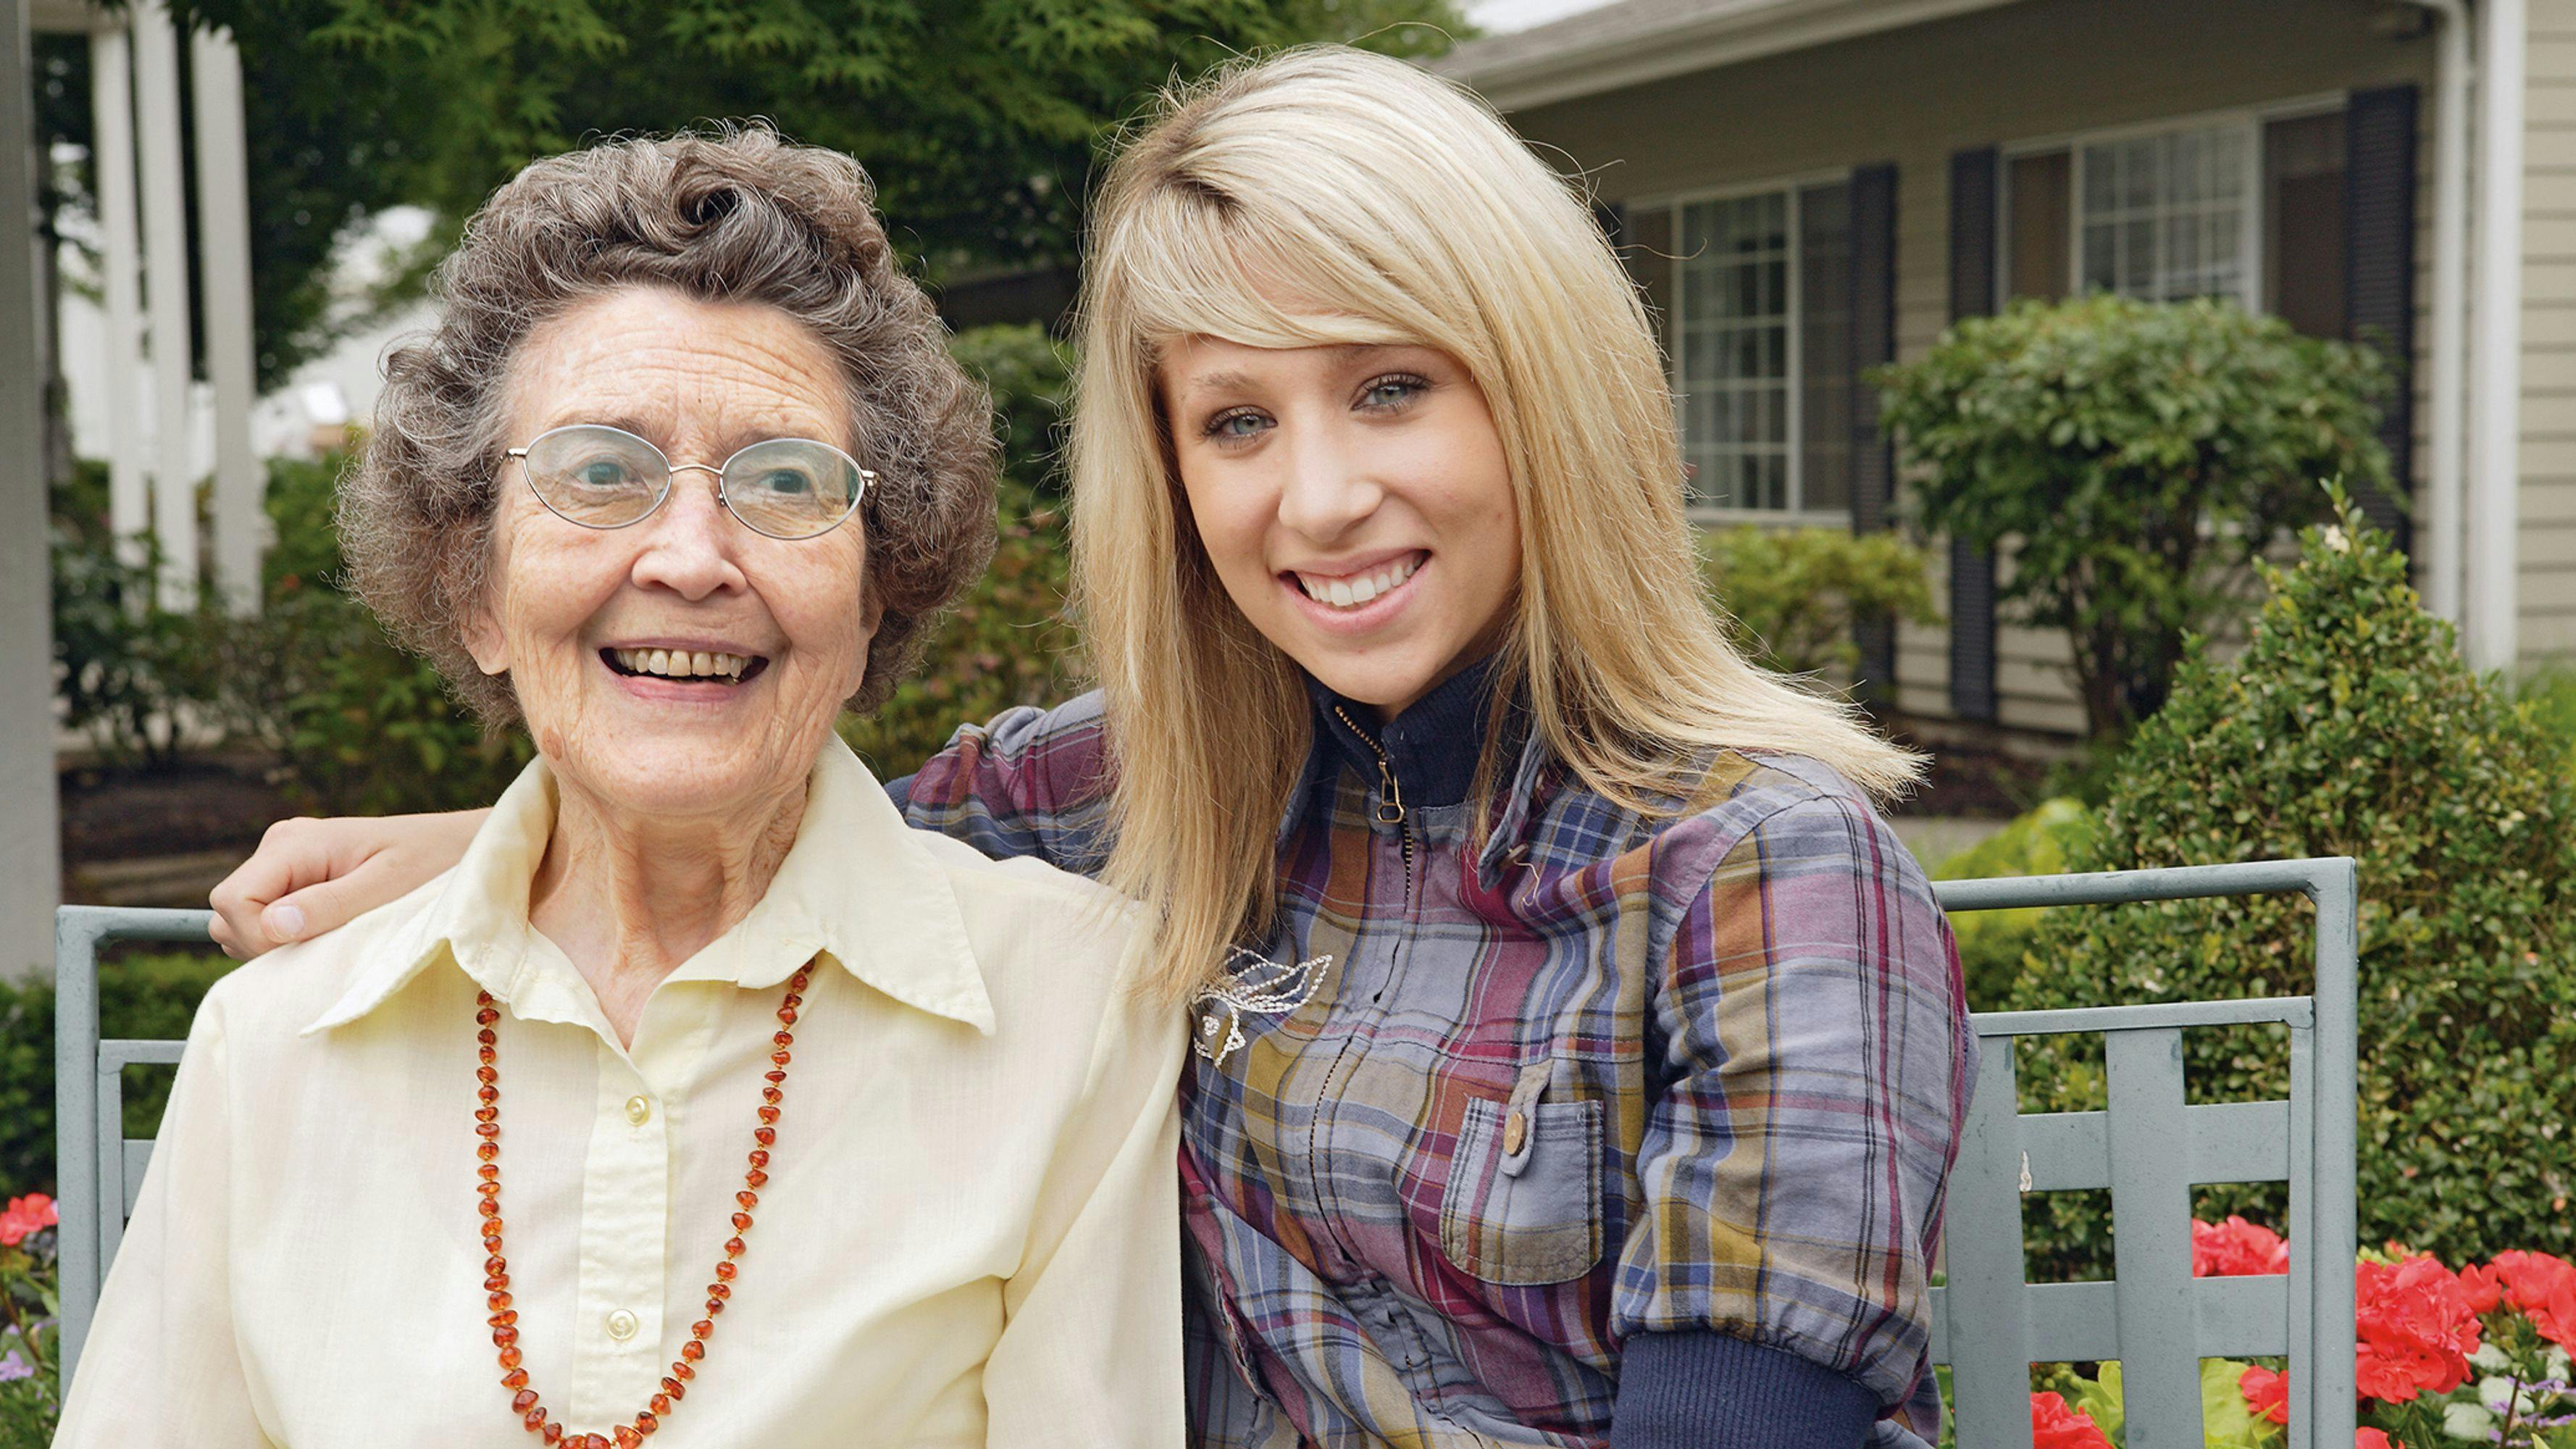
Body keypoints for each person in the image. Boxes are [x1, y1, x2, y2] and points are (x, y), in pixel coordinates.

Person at [211, 47, 1973, 1449]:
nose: (1320, 496)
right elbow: (791, 803)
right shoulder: (1171, 784)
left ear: (1544, 387)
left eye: (1389, 387)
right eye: (1232, 419)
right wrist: (498, 843)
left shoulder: (1762, 868)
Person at [67, 128, 1184, 1449]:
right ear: (473, 588)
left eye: (784, 481)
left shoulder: (1077, 1009)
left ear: (878, 592)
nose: (694, 557)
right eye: (601, 473)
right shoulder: (274, 1047)